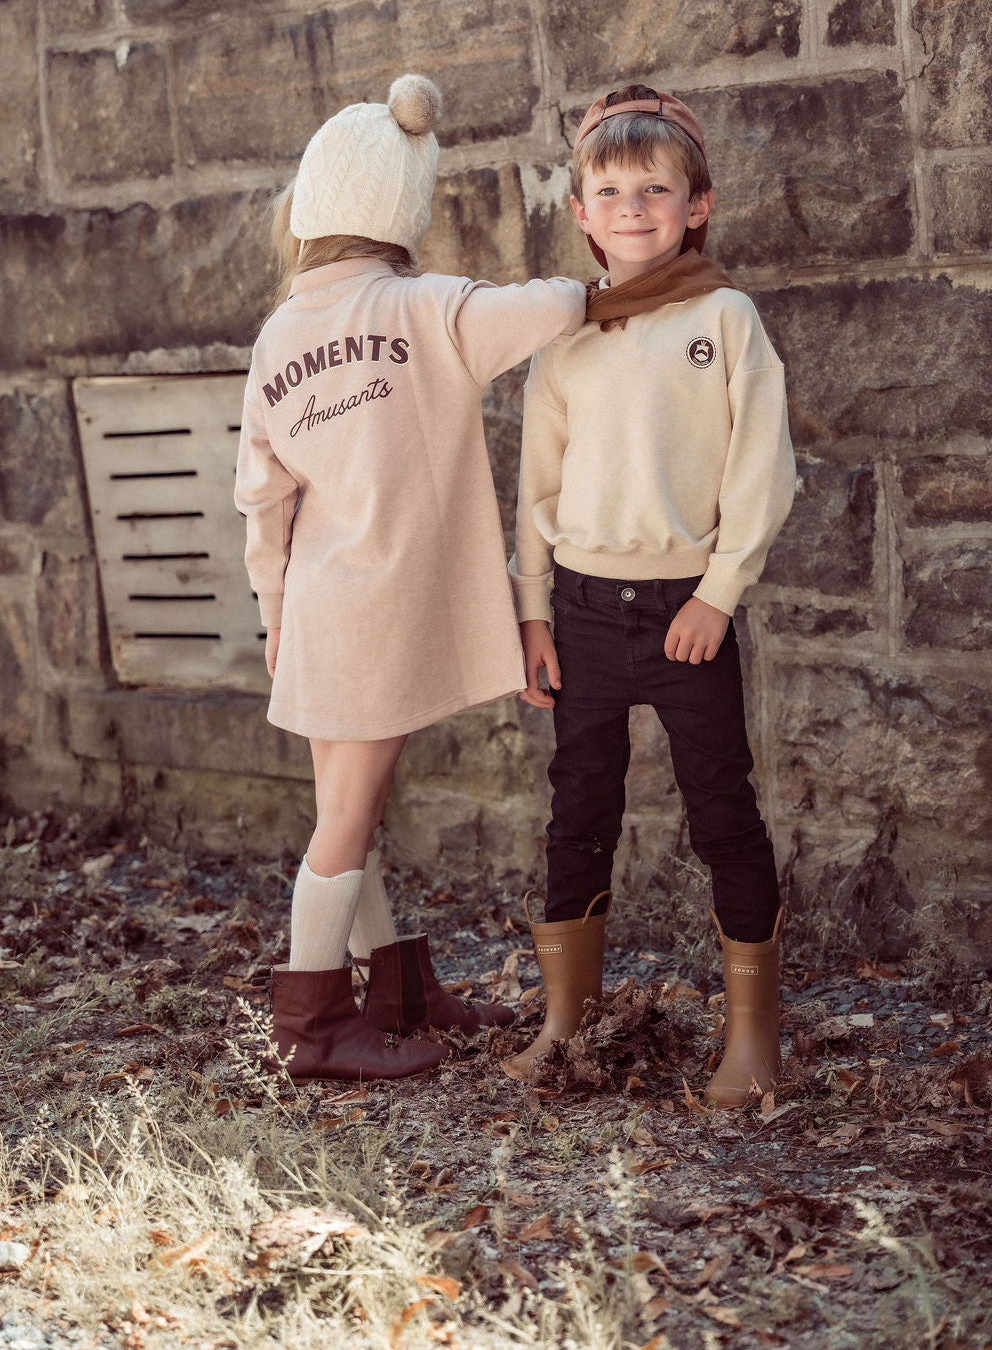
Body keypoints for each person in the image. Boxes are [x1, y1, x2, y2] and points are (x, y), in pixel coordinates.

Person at [234, 74, 587, 1083]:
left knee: (349, 808)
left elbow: (262, 498)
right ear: (402, 209)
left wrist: (273, 613)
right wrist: (603, 281)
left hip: (315, 606)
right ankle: (309, 1026)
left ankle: (394, 990)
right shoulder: (431, 310)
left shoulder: (278, 336)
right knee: (346, 819)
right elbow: (557, 305)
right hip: (378, 614)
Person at [503, 85, 796, 1106]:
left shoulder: (724, 317)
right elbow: (536, 484)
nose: (633, 208)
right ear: (581, 212)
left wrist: (720, 592)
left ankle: (752, 1039)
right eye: (611, 191)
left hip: (686, 614)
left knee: (722, 812)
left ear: (696, 204)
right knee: (578, 809)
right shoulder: (567, 334)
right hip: (582, 611)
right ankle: (564, 1024)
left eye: (656, 189)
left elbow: (764, 469)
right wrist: (532, 610)